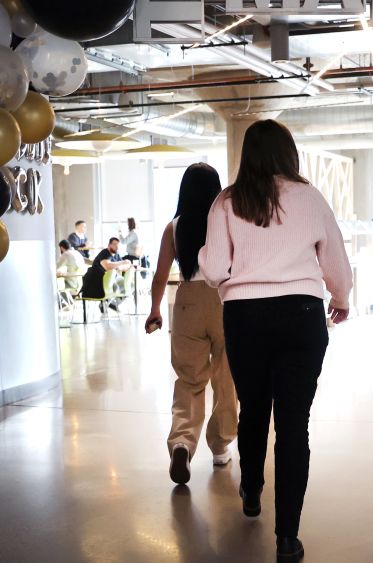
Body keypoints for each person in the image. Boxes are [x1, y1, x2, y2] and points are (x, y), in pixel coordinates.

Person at [199, 120, 352, 563]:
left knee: (252, 410)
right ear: (289, 153)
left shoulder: (227, 201)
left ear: (247, 154)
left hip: (245, 316)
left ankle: (251, 491)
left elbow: (213, 269)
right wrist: (340, 299)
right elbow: (336, 260)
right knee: (293, 426)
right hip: (302, 315)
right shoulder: (310, 197)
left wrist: (227, 266)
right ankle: (287, 537)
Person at [144, 164, 238, 486]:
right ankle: (221, 446)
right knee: (227, 378)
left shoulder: (174, 226)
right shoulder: (226, 222)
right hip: (224, 300)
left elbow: (159, 276)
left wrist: (155, 310)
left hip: (186, 304)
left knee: (189, 379)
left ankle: (182, 442)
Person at [81, 237, 131, 312]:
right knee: (117, 287)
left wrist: (121, 266)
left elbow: (128, 265)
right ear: (109, 245)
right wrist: (122, 263)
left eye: (118, 245)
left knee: (129, 285)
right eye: (114, 245)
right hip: (95, 282)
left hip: (109, 281)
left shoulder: (116, 254)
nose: (117, 247)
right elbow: (107, 266)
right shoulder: (104, 253)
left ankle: (111, 303)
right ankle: (108, 303)